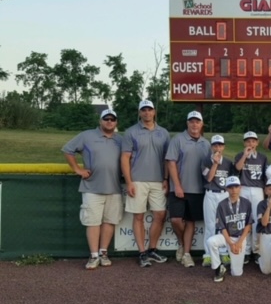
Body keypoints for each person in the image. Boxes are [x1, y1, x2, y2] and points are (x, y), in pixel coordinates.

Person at [62, 108, 123, 269]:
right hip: (92, 187)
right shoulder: (87, 135)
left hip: (114, 186)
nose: (109, 121)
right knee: (93, 222)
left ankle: (103, 253)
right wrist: (77, 169)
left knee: (110, 221)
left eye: (112, 119)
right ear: (100, 121)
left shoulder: (121, 140)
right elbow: (68, 150)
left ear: (116, 122)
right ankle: (94, 255)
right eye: (106, 119)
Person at [120, 100, 171, 268]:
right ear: (140, 112)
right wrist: (129, 182)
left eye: (150, 110)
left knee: (160, 215)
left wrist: (165, 178)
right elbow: (125, 158)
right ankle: (142, 252)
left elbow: (167, 159)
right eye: (144, 110)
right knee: (139, 216)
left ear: (154, 112)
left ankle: (152, 249)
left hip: (158, 180)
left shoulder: (163, 133)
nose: (147, 113)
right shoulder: (131, 132)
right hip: (137, 180)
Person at [165, 111, 210, 268]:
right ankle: (182, 244)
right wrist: (177, 185)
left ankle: (186, 254)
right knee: (176, 220)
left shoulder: (206, 143)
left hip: (198, 189)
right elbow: (171, 163)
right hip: (179, 188)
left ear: (201, 124)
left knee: (190, 221)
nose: (194, 124)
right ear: (187, 123)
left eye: (197, 121)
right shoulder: (178, 139)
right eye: (191, 121)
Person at [206, 176, 253, 282]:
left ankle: (232, 265)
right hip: (226, 237)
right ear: (226, 189)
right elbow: (221, 227)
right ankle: (218, 268)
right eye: (231, 187)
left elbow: (248, 225)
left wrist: (240, 242)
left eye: (236, 187)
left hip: (240, 238)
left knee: (236, 273)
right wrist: (231, 243)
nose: (234, 190)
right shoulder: (222, 204)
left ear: (240, 187)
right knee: (211, 242)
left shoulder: (246, 203)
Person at [235, 131, 268, 262]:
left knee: (257, 219)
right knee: (244, 219)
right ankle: (246, 249)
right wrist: (245, 155)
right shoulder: (240, 155)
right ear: (244, 143)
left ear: (257, 143)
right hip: (244, 188)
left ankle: (256, 250)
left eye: (253, 141)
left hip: (258, 189)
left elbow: (265, 176)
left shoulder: (262, 157)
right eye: (248, 141)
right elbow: (237, 168)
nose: (251, 143)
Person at [201, 134, 234, 267]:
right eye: (215, 145)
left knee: (225, 225)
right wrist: (215, 163)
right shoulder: (205, 160)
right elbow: (209, 178)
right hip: (210, 193)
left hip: (224, 194)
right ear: (211, 147)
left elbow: (232, 181)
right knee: (210, 225)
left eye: (220, 145)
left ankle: (223, 252)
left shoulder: (228, 163)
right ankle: (208, 254)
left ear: (224, 147)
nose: (218, 148)